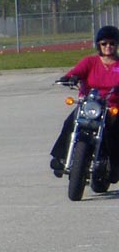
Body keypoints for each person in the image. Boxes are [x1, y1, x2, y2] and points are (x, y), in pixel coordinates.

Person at [49, 25, 119, 178]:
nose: (108, 46)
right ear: (98, 45)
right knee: (70, 122)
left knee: (114, 130)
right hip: (90, 105)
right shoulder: (90, 61)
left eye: (112, 43)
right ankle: (60, 157)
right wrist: (69, 78)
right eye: (104, 43)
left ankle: (114, 165)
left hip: (111, 107)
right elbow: (76, 72)